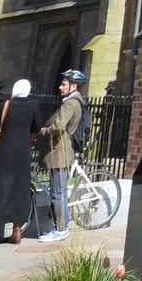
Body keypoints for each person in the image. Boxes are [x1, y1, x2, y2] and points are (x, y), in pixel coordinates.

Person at [0, 78, 42, 248]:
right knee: (20, 189)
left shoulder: (5, 105)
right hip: (22, 154)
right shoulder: (33, 105)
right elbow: (38, 126)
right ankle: (17, 231)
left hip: (4, 151)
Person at [40, 68, 87, 242]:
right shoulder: (73, 101)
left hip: (61, 152)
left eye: (64, 84)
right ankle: (62, 226)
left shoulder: (70, 103)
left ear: (74, 86)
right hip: (61, 151)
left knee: (58, 193)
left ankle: (60, 229)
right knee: (58, 191)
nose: (60, 87)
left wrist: (43, 131)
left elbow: (59, 126)